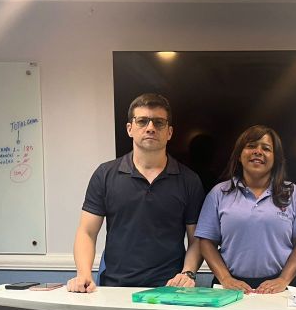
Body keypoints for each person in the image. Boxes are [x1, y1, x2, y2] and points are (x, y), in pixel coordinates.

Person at [67, 93, 204, 292]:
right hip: (115, 288)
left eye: (159, 122)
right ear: (129, 129)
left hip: (170, 290)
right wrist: (83, 273)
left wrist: (188, 273)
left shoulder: (189, 180)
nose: (150, 128)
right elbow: (87, 232)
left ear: (169, 132)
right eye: (142, 121)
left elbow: (196, 239)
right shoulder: (105, 174)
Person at [195, 125, 296, 293]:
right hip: (230, 286)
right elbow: (206, 242)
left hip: (282, 286)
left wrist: (283, 280)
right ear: (239, 155)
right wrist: (225, 278)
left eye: (266, 148)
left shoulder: (292, 193)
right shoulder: (219, 193)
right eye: (251, 146)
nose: (258, 152)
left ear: (276, 158)